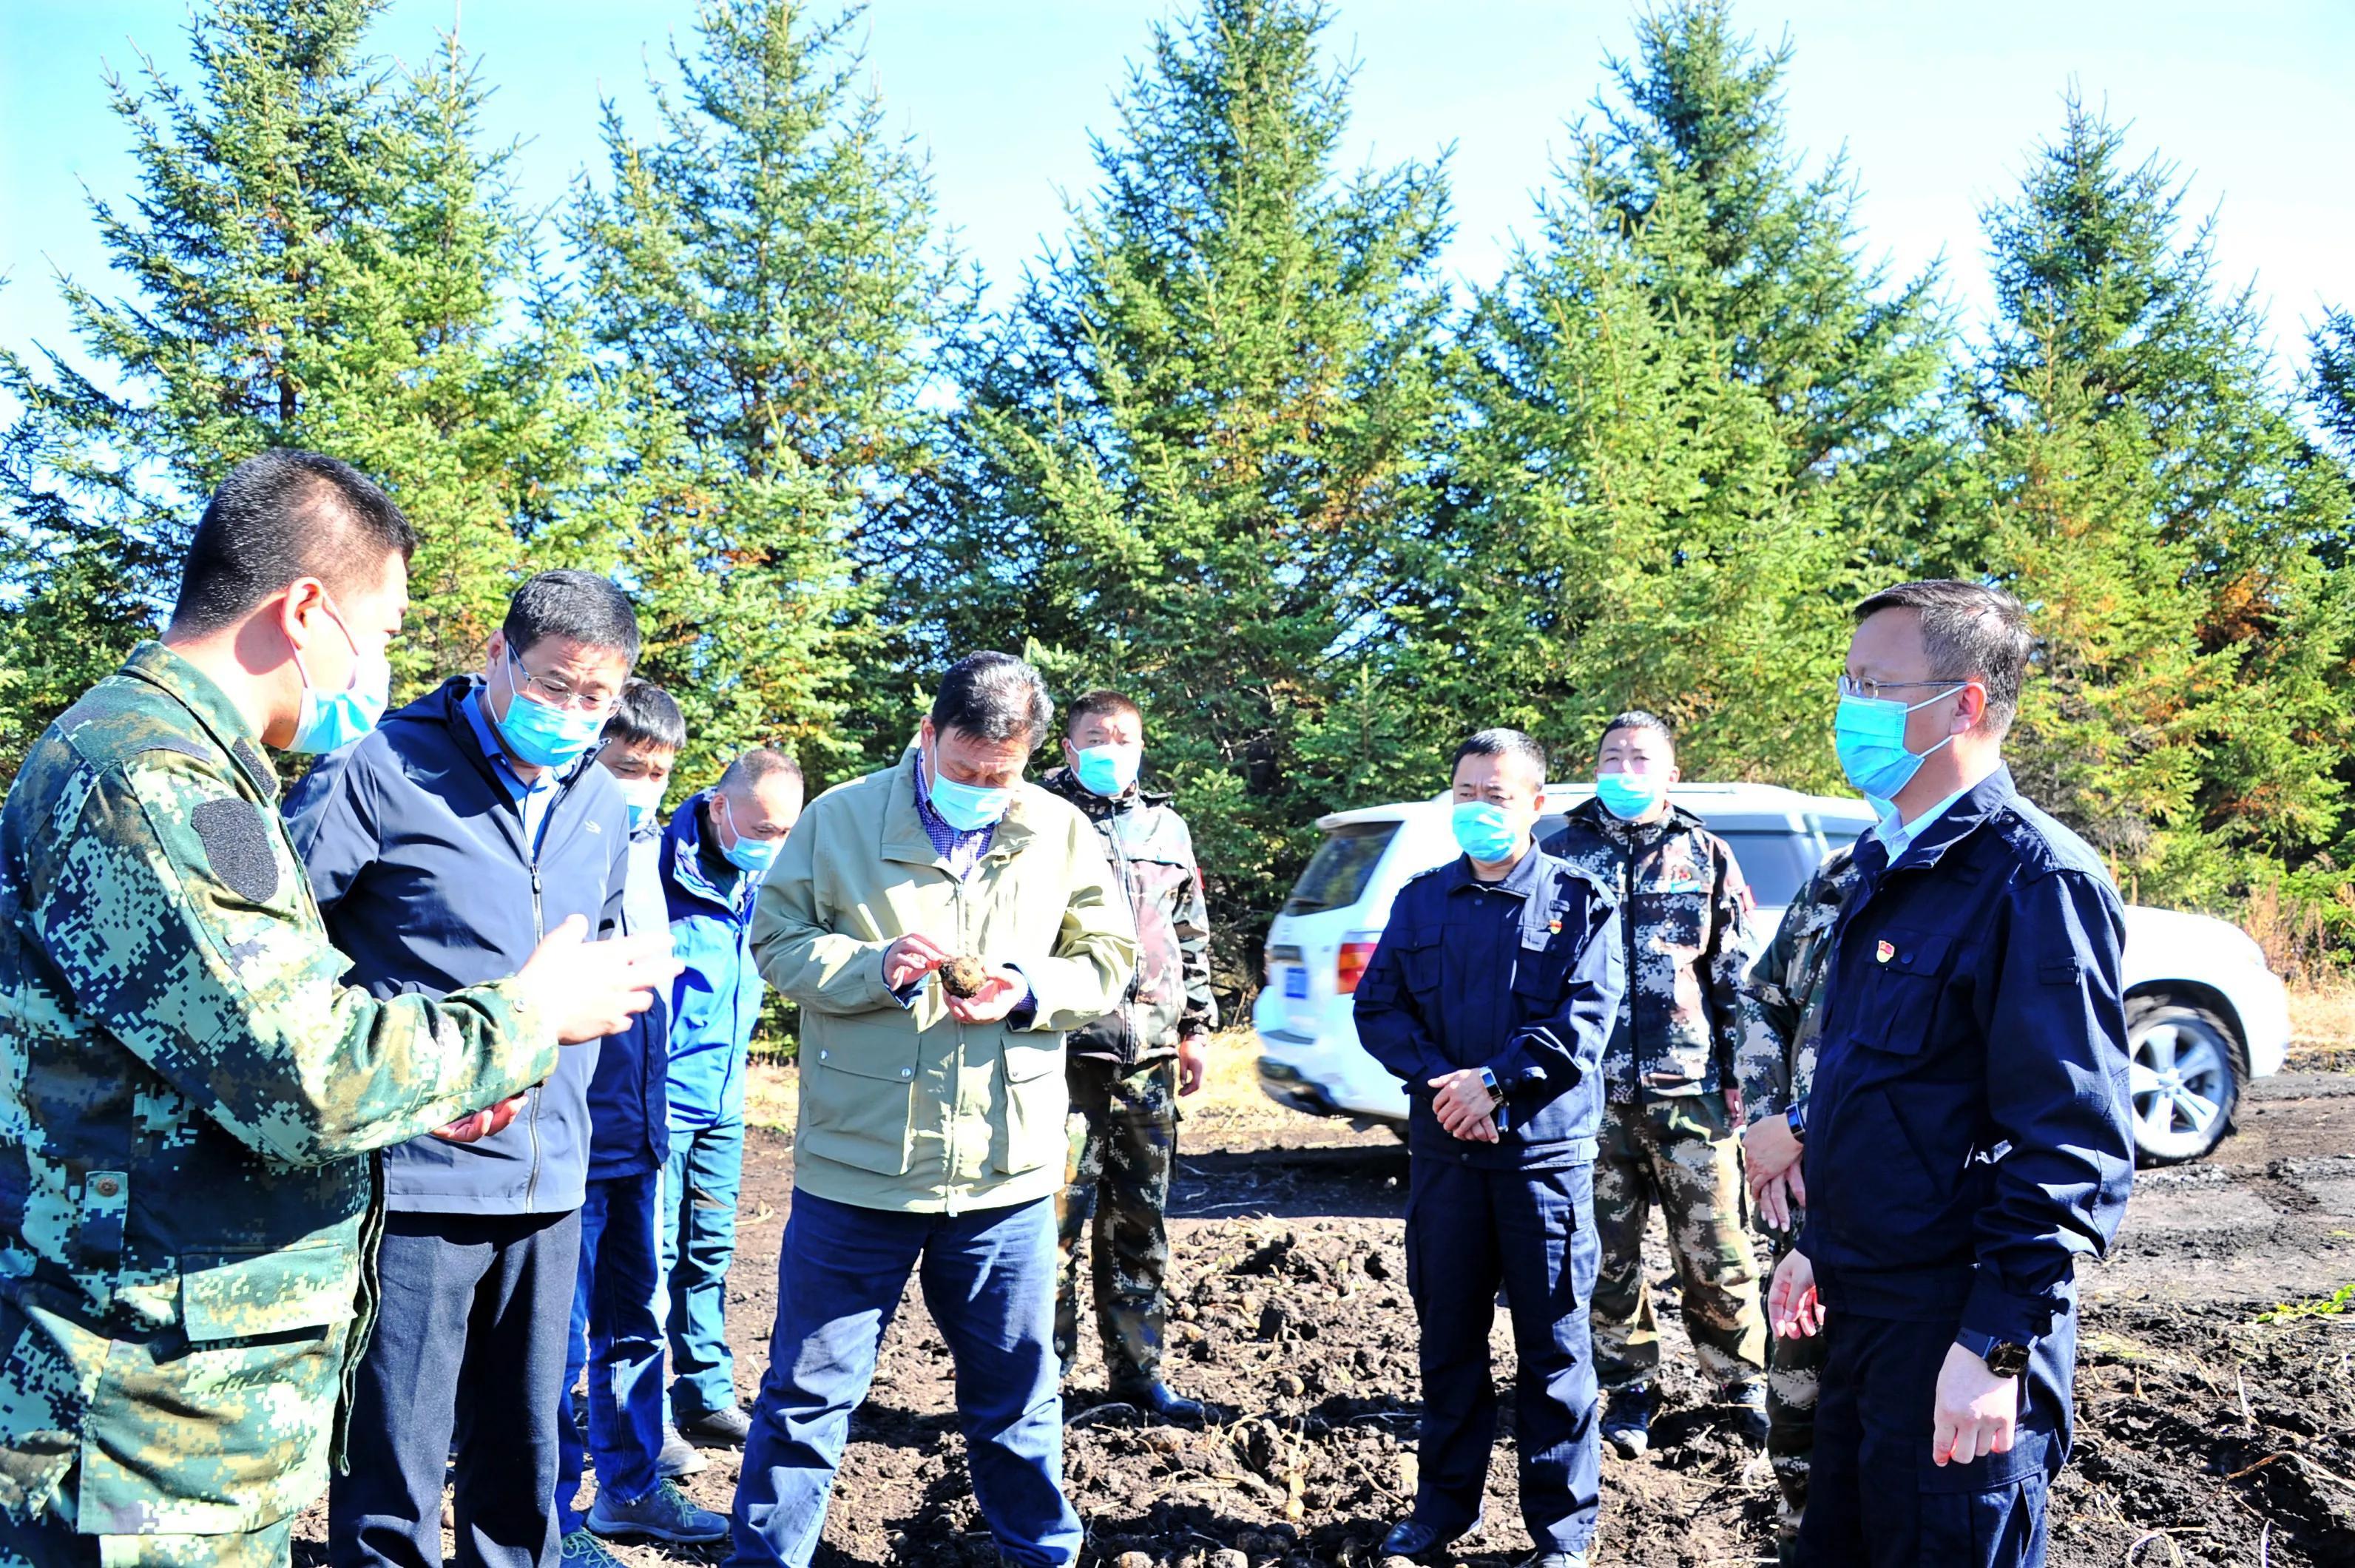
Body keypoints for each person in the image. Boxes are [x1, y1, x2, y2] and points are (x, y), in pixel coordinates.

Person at [0, 450, 671, 1567]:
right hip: (143, 1410)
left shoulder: (189, 766)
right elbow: (303, 1074)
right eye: (387, 629)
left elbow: (242, 1030)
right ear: (306, 609)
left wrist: (433, 1086)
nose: (389, 661)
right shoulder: (154, 780)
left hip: (189, 1386)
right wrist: (527, 1016)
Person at [287, 570, 700, 1568]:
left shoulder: (601, 799)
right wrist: (427, 1057)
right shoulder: (377, 767)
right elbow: (286, 957)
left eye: (597, 699)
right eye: (557, 688)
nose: (575, 716)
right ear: (497, 659)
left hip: (549, 1178)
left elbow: (596, 951)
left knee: (523, 1467)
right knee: (397, 1466)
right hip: (417, 1180)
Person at [731, 652, 1139, 1568]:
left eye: (1004, 774)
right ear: (927, 736)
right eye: (964, 770)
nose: (984, 788)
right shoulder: (839, 820)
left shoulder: (1060, 830)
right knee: (806, 1394)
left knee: (1018, 1395)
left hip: (1005, 1174)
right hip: (858, 1171)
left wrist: (1028, 987)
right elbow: (777, 942)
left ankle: (1040, 1554)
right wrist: (873, 967)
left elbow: (1109, 956)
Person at [1768, 581, 2135, 1568]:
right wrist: (1818, 1241)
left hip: (1958, 1337)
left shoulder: (2036, 883)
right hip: (1863, 1319)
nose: (1848, 707)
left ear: (1965, 703)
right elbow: (1872, 1089)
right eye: (1848, 681)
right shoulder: (1884, 866)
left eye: (1873, 684)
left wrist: (1996, 1351)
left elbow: (2073, 1147)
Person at [1354, 729, 1622, 1568]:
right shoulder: (1421, 899)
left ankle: (1561, 1531)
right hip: (1446, 1160)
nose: (1479, 809)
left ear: (1536, 804)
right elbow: (1379, 1008)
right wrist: (1445, 1083)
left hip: (1541, 1162)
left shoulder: (1580, 900)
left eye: (1497, 795)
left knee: (1554, 1349)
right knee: (1448, 1342)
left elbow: (1584, 1019)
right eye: (1466, 792)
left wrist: (1497, 1085)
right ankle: (1440, 1511)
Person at [1540, 712, 1770, 1456]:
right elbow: (1537, 977)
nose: (1625, 767)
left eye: (1642, 757)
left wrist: (1744, 1080)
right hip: (1591, 1096)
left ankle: (1741, 1383)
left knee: (1717, 1251)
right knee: (1605, 1255)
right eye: (1611, 755)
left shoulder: (1705, 852)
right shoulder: (1559, 851)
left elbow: (1737, 978)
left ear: (1672, 772)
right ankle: (1628, 1386)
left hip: (1692, 1091)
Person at [558, 680, 729, 1561]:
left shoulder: (648, 847)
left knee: (635, 1322)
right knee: (554, 1337)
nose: (645, 784)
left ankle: (628, 1490)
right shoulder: (557, 846)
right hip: (568, 1132)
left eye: (659, 770)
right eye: (628, 765)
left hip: (637, 1129)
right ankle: (551, 1521)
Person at [1040, 689, 1218, 1423]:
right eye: (1096, 736)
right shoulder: (1038, 817)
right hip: (1060, 1056)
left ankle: (1138, 1374)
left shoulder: (1165, 826)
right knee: (1050, 1227)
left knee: (1139, 1223)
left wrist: (1197, 1026)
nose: (1113, 748)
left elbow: (1190, 932)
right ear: (1069, 746)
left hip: (1149, 1059)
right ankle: (1040, 1380)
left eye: (1126, 737)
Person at [656, 746, 805, 1464]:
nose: (772, 845)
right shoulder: (654, 871)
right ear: (719, 807)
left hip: (725, 1101)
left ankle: (705, 1392)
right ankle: (640, 1410)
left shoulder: (766, 882)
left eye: (786, 832)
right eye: (762, 828)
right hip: (658, 1101)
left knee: (709, 1250)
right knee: (647, 1262)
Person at [1733, 842, 1859, 1561]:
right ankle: (1800, 1535)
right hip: (1800, 1207)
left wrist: (1805, 1126)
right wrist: (1766, 1123)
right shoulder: (1838, 874)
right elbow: (1762, 996)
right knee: (1797, 1395)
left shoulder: (1978, 875)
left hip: (1897, 1200)